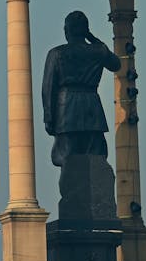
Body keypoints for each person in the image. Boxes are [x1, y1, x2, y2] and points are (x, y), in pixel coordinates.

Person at [42, 10, 120, 167]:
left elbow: (48, 88)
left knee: (67, 158)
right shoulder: (98, 51)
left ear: (67, 31)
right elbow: (116, 64)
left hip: (66, 110)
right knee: (97, 157)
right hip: (92, 108)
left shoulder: (56, 53)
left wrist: (49, 117)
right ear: (85, 30)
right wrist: (92, 39)